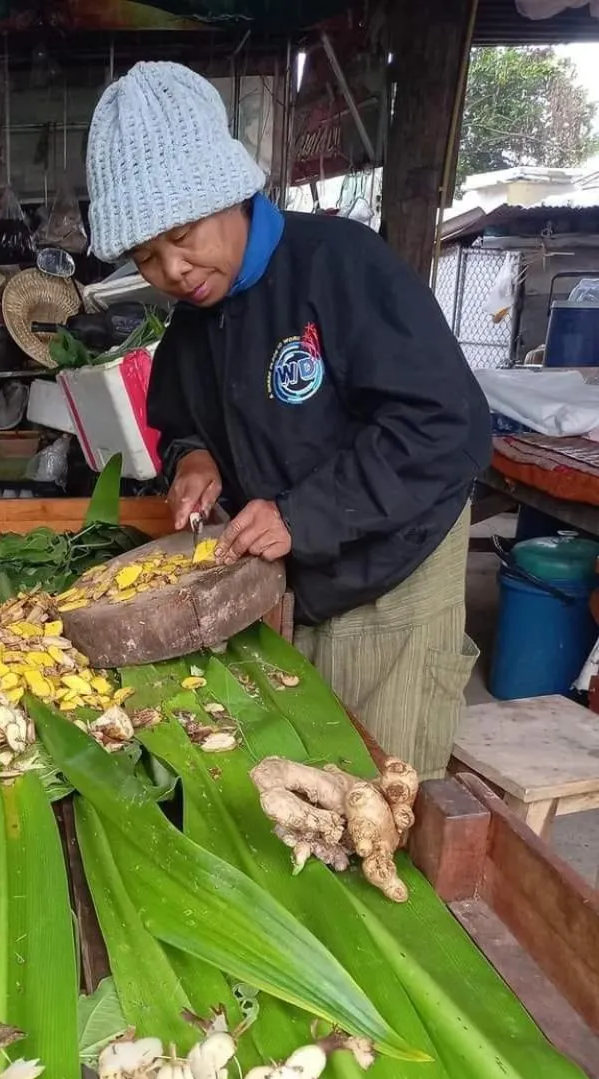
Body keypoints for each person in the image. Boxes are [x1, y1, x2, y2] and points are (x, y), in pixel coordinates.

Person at [86, 62, 491, 778]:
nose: (173, 269)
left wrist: (302, 516)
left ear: (229, 193)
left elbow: (445, 428)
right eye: (147, 256)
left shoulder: (340, 266)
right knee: (302, 771)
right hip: (295, 574)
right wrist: (195, 461)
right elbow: (182, 421)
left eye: (183, 234)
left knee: (382, 783)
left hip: (394, 565)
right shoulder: (192, 324)